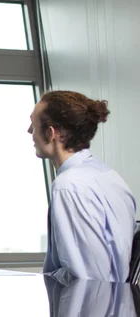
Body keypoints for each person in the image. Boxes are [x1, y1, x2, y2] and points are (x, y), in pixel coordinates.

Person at [28, 90, 136, 282]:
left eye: (33, 125)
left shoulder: (69, 186)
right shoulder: (110, 177)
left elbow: (89, 279)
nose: (30, 131)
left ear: (52, 133)